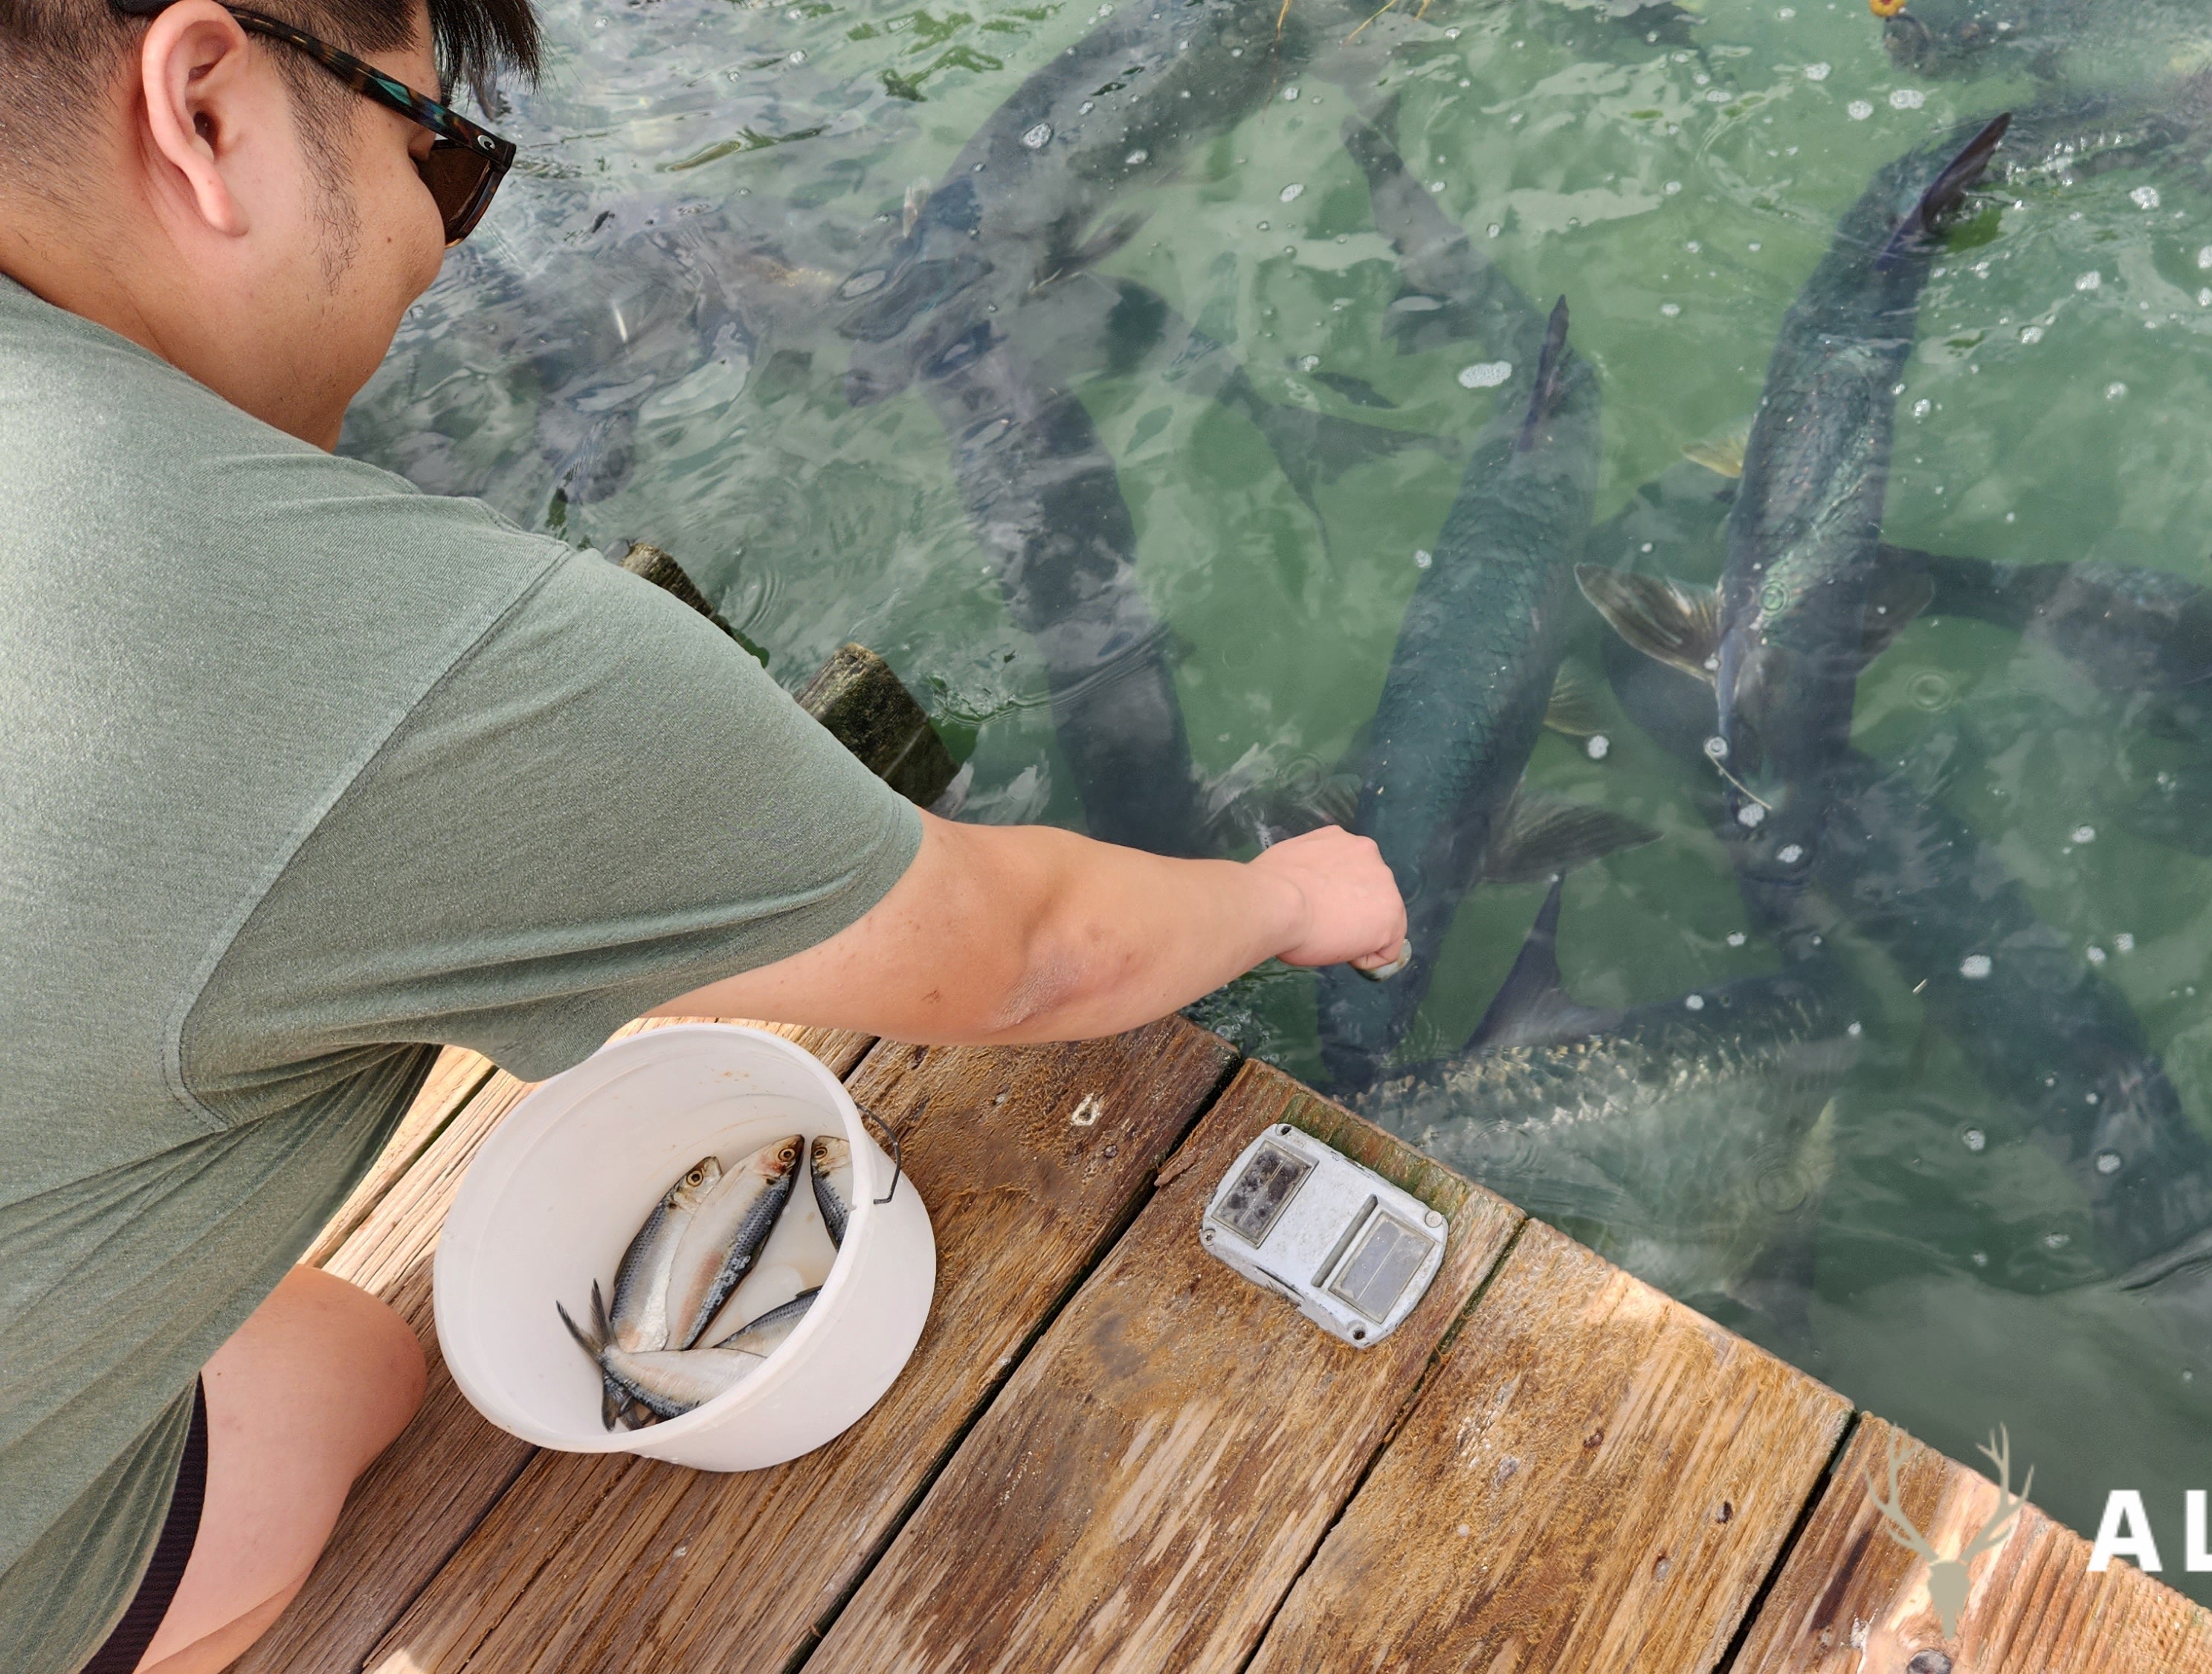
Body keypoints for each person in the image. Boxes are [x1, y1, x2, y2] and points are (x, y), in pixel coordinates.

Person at [0, 0, 1409, 1668]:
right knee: (359, 1385)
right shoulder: (373, 650)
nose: (445, 250)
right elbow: (1015, 956)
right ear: (205, 109)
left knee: (302, 1356)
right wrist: (1297, 892)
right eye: (440, 160)